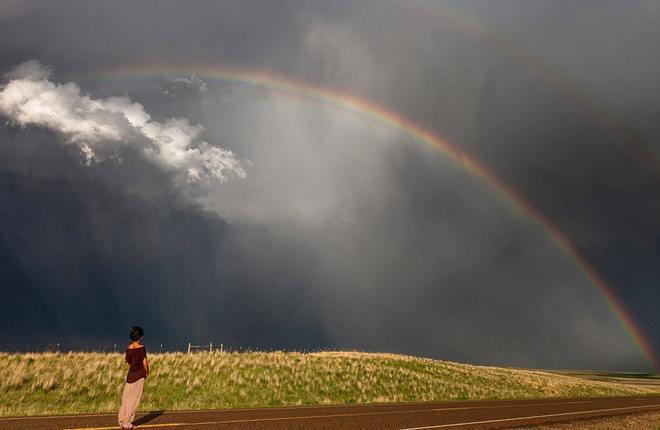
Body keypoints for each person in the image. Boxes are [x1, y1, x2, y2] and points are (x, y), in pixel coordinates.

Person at [118, 326, 149, 429]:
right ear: (140, 336)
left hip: (130, 375)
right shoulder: (142, 348)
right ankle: (128, 422)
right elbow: (145, 362)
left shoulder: (128, 348)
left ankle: (122, 420)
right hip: (139, 375)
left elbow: (129, 362)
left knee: (126, 398)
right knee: (134, 399)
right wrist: (146, 372)